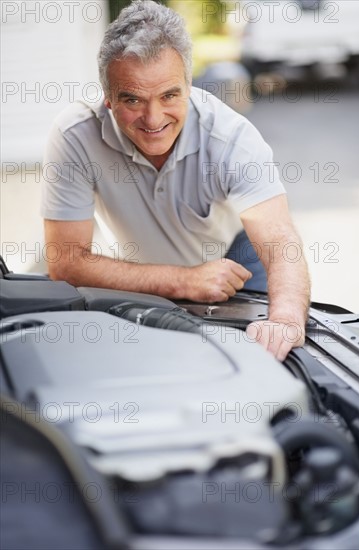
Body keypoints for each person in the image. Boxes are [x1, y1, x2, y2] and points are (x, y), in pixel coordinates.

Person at [41, 0, 310, 360]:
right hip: (142, 269)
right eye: (133, 99)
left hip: (233, 259)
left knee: (257, 360)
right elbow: (65, 261)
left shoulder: (230, 138)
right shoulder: (75, 135)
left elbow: (279, 242)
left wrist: (286, 320)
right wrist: (183, 280)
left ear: (189, 86)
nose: (153, 119)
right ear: (107, 97)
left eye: (169, 95)